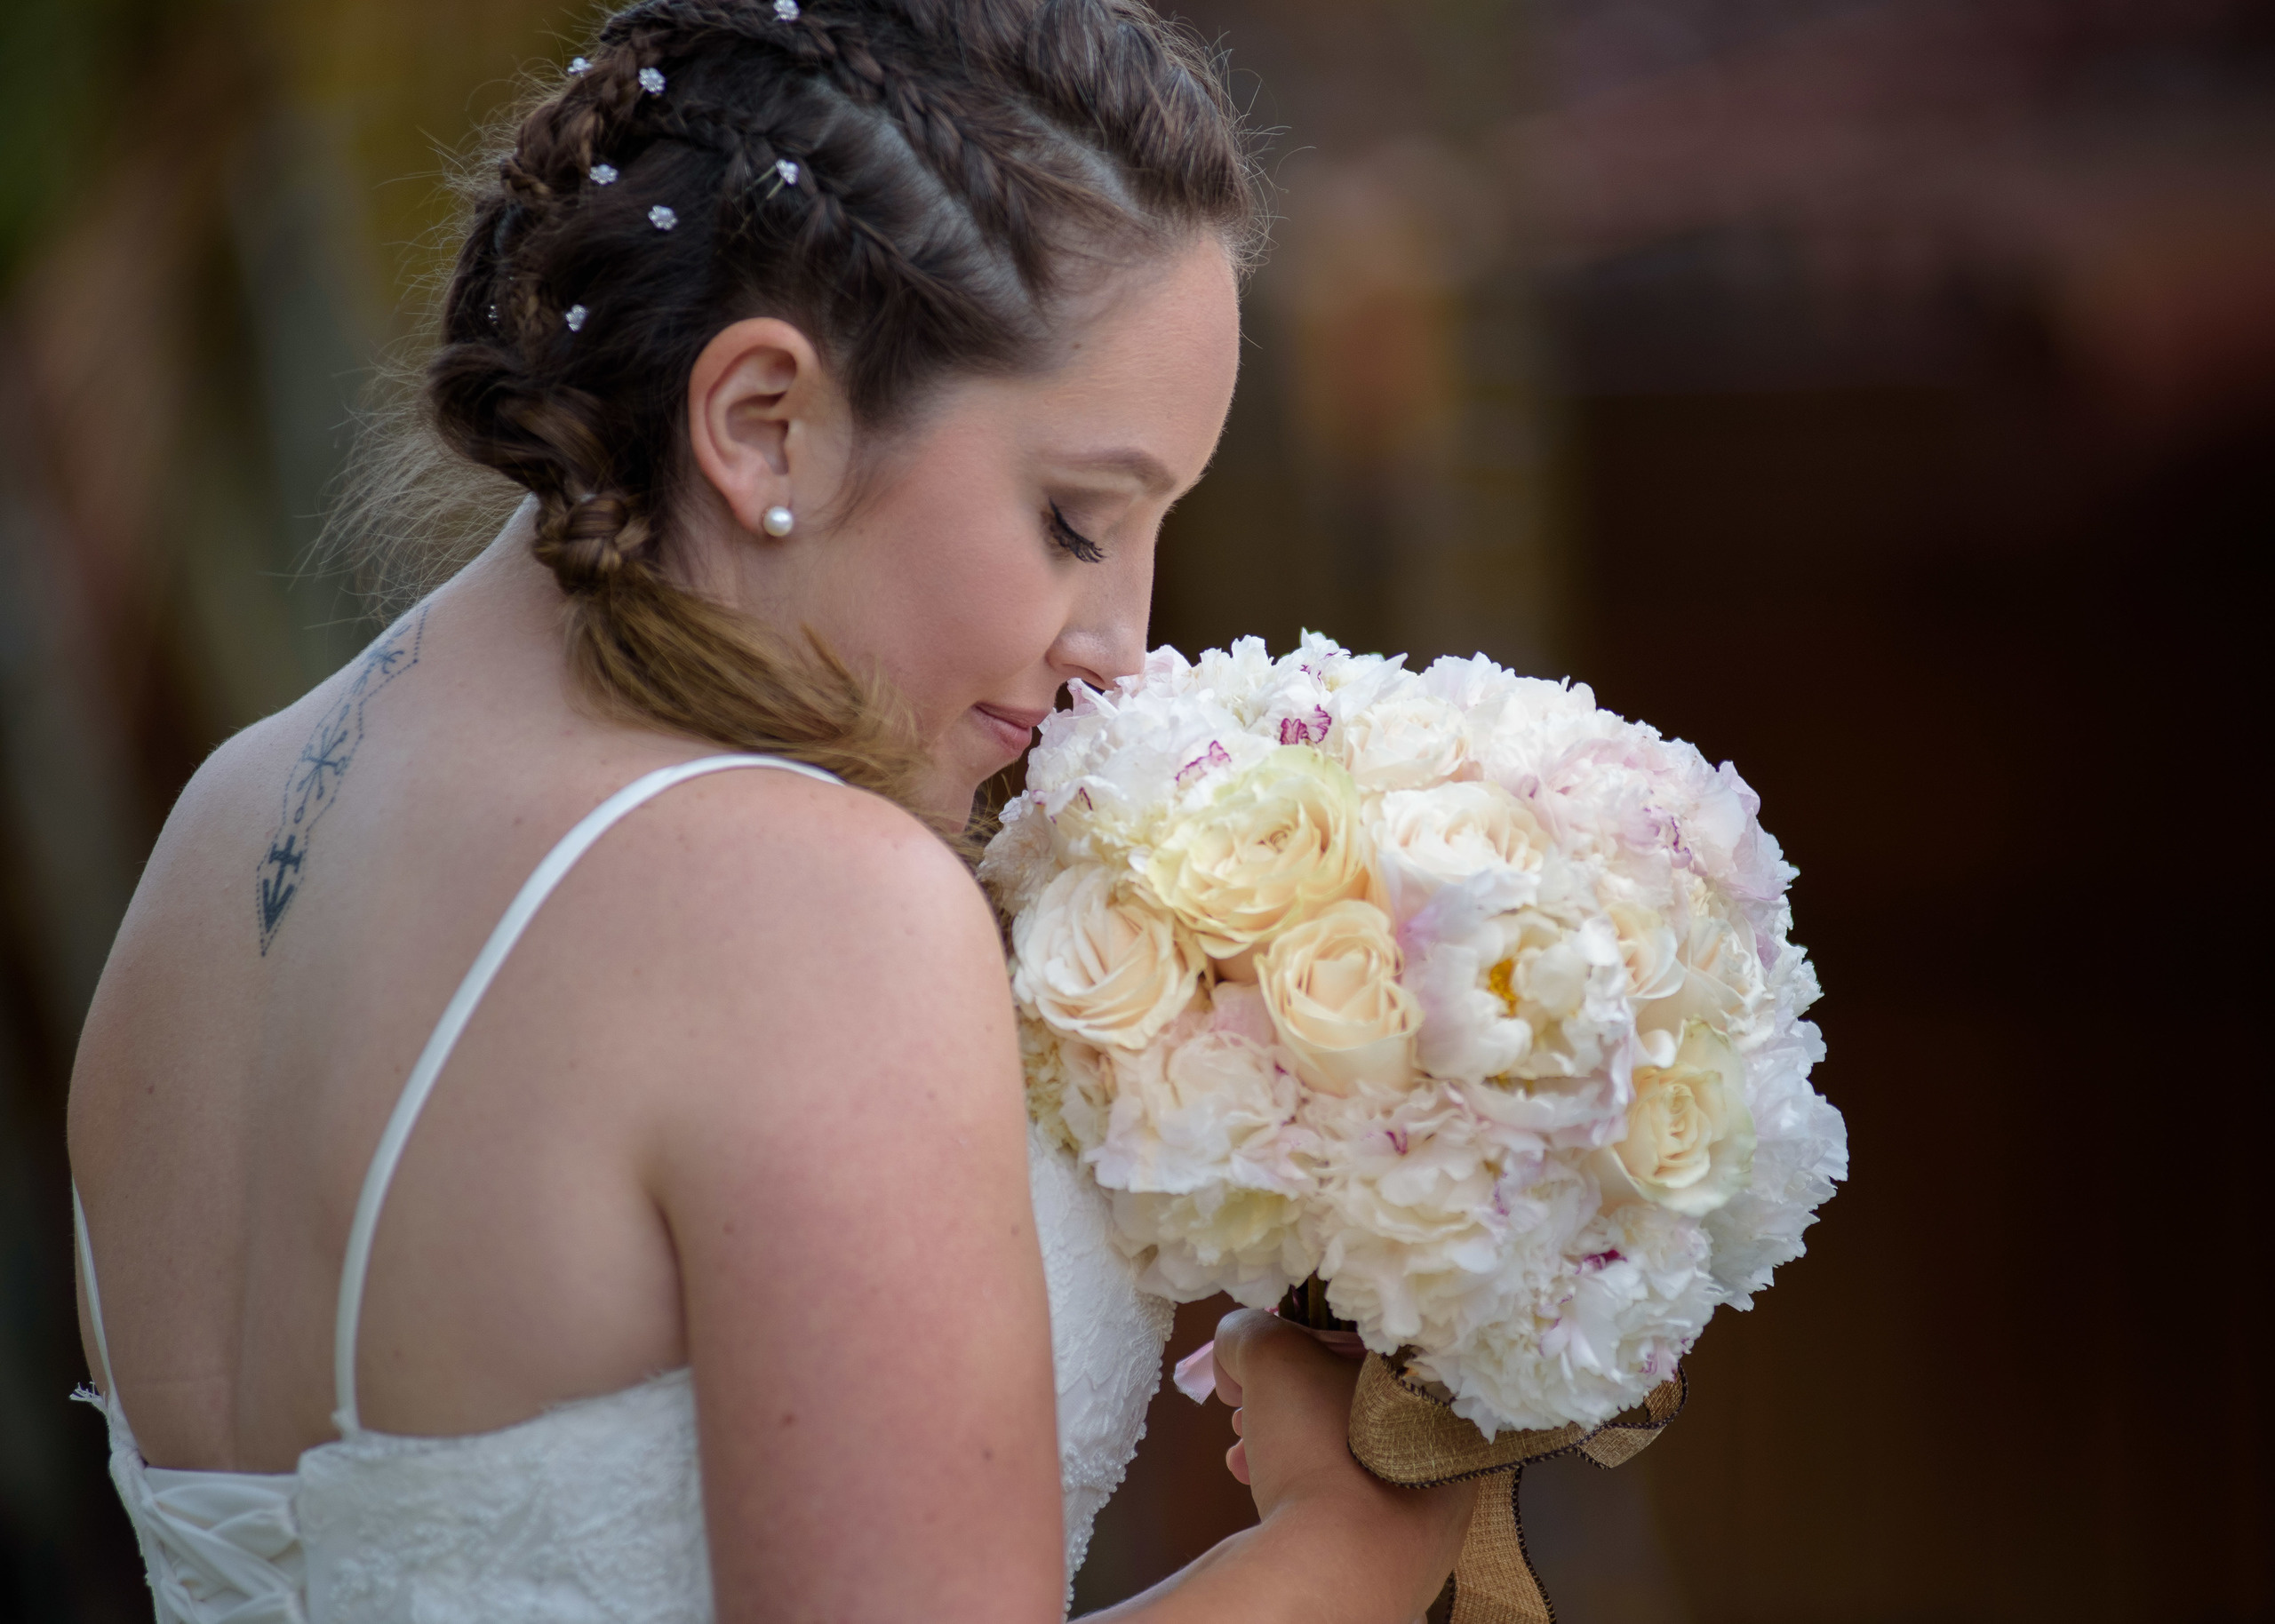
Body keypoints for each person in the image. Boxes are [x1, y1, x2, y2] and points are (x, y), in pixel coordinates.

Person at [64, 2, 1475, 1619]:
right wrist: (1348, 1551)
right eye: (1079, 520)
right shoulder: (815, 907)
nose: (1123, 648)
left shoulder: (225, 834)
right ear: (760, 423)